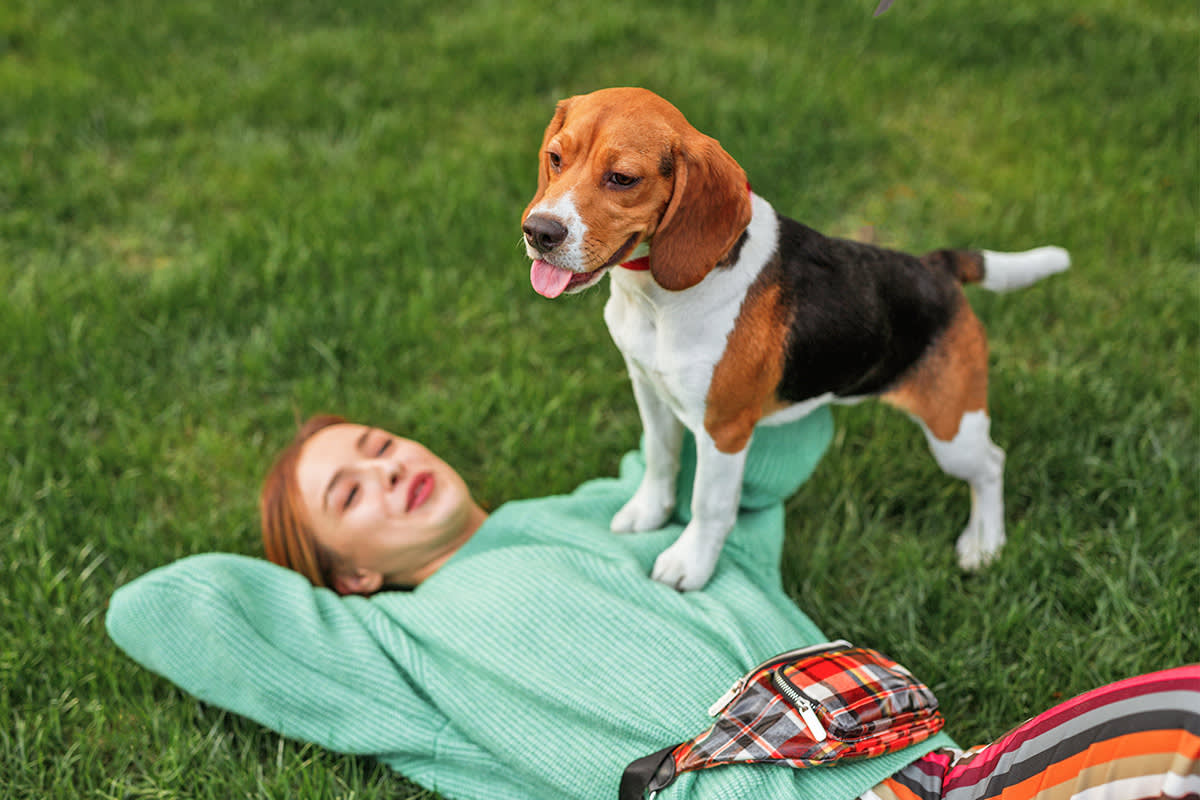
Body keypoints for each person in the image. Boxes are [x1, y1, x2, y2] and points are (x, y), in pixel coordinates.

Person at [107, 410, 1199, 800]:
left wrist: (744, 348)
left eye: (382, 445)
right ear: (347, 571)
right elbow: (167, 608)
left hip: (930, 773)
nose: (389, 470)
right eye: (351, 491)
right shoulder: (391, 644)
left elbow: (763, 440)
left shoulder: (625, 506)